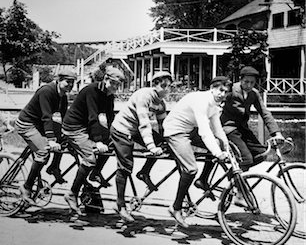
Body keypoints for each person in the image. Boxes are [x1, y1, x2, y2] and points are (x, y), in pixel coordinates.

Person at [195, 66, 284, 191]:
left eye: (252, 83)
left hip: (242, 129)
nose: (249, 85)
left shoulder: (254, 94)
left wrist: (276, 133)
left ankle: (234, 177)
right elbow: (214, 101)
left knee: (262, 153)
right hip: (228, 128)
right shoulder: (230, 90)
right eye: (246, 82)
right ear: (240, 79)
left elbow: (264, 113)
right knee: (246, 158)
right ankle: (239, 191)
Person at [163, 76, 230, 228]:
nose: (222, 94)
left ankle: (203, 180)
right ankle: (176, 207)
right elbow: (205, 131)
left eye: (225, 92)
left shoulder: (213, 105)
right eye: (220, 90)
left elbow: (217, 129)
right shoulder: (202, 100)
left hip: (190, 130)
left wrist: (226, 146)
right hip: (176, 131)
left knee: (217, 144)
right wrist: (218, 153)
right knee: (191, 169)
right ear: (212, 88)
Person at [111, 71, 173, 222]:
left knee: (162, 144)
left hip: (136, 129)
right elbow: (144, 123)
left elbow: (162, 125)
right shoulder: (144, 96)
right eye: (163, 86)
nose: (166, 89)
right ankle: (121, 205)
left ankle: (144, 173)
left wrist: (166, 142)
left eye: (169, 86)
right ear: (154, 85)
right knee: (125, 166)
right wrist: (151, 146)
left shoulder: (160, 102)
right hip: (122, 129)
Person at [62, 66, 125, 215]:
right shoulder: (92, 90)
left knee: (113, 142)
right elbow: (93, 118)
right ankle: (72, 193)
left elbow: (110, 117)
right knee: (90, 158)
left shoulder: (109, 95)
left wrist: (117, 134)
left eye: (118, 85)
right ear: (106, 80)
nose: (116, 87)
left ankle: (95, 173)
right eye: (114, 83)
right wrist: (98, 141)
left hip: (86, 126)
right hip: (74, 127)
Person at [16, 69, 76, 205]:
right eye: (68, 82)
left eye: (72, 83)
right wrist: (50, 140)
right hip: (27, 123)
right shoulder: (46, 91)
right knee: (43, 152)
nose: (70, 85)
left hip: (39, 123)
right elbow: (46, 117)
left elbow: (64, 117)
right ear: (59, 80)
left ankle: (54, 167)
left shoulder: (63, 96)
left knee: (64, 137)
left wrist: (70, 133)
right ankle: (27, 187)